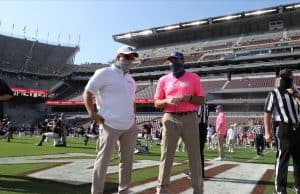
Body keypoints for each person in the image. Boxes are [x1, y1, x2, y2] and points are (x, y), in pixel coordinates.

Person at [83, 45, 139, 194]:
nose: (129, 60)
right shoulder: (104, 73)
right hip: (109, 124)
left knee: (127, 163)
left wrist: (134, 119)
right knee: (103, 162)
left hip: (129, 126)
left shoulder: (131, 80)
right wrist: (92, 113)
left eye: (132, 57)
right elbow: (88, 93)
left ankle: (124, 191)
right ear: (117, 57)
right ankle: (97, 192)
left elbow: (132, 101)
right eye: (126, 56)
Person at [154, 51, 205, 194]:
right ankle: (162, 189)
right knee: (166, 154)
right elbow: (157, 103)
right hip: (170, 117)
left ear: (183, 61)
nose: (173, 63)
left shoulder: (194, 77)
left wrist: (188, 98)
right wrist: (166, 101)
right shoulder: (163, 79)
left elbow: (201, 100)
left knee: (194, 155)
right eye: (171, 61)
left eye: (176, 60)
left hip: (190, 117)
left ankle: (198, 189)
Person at [264, 69, 300, 194]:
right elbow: (267, 113)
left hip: (298, 128)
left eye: (288, 77)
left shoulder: (297, 92)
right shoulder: (274, 93)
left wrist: (295, 94)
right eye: (284, 77)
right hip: (284, 128)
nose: (287, 79)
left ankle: (298, 185)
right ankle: (280, 189)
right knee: (283, 159)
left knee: (298, 160)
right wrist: (267, 132)